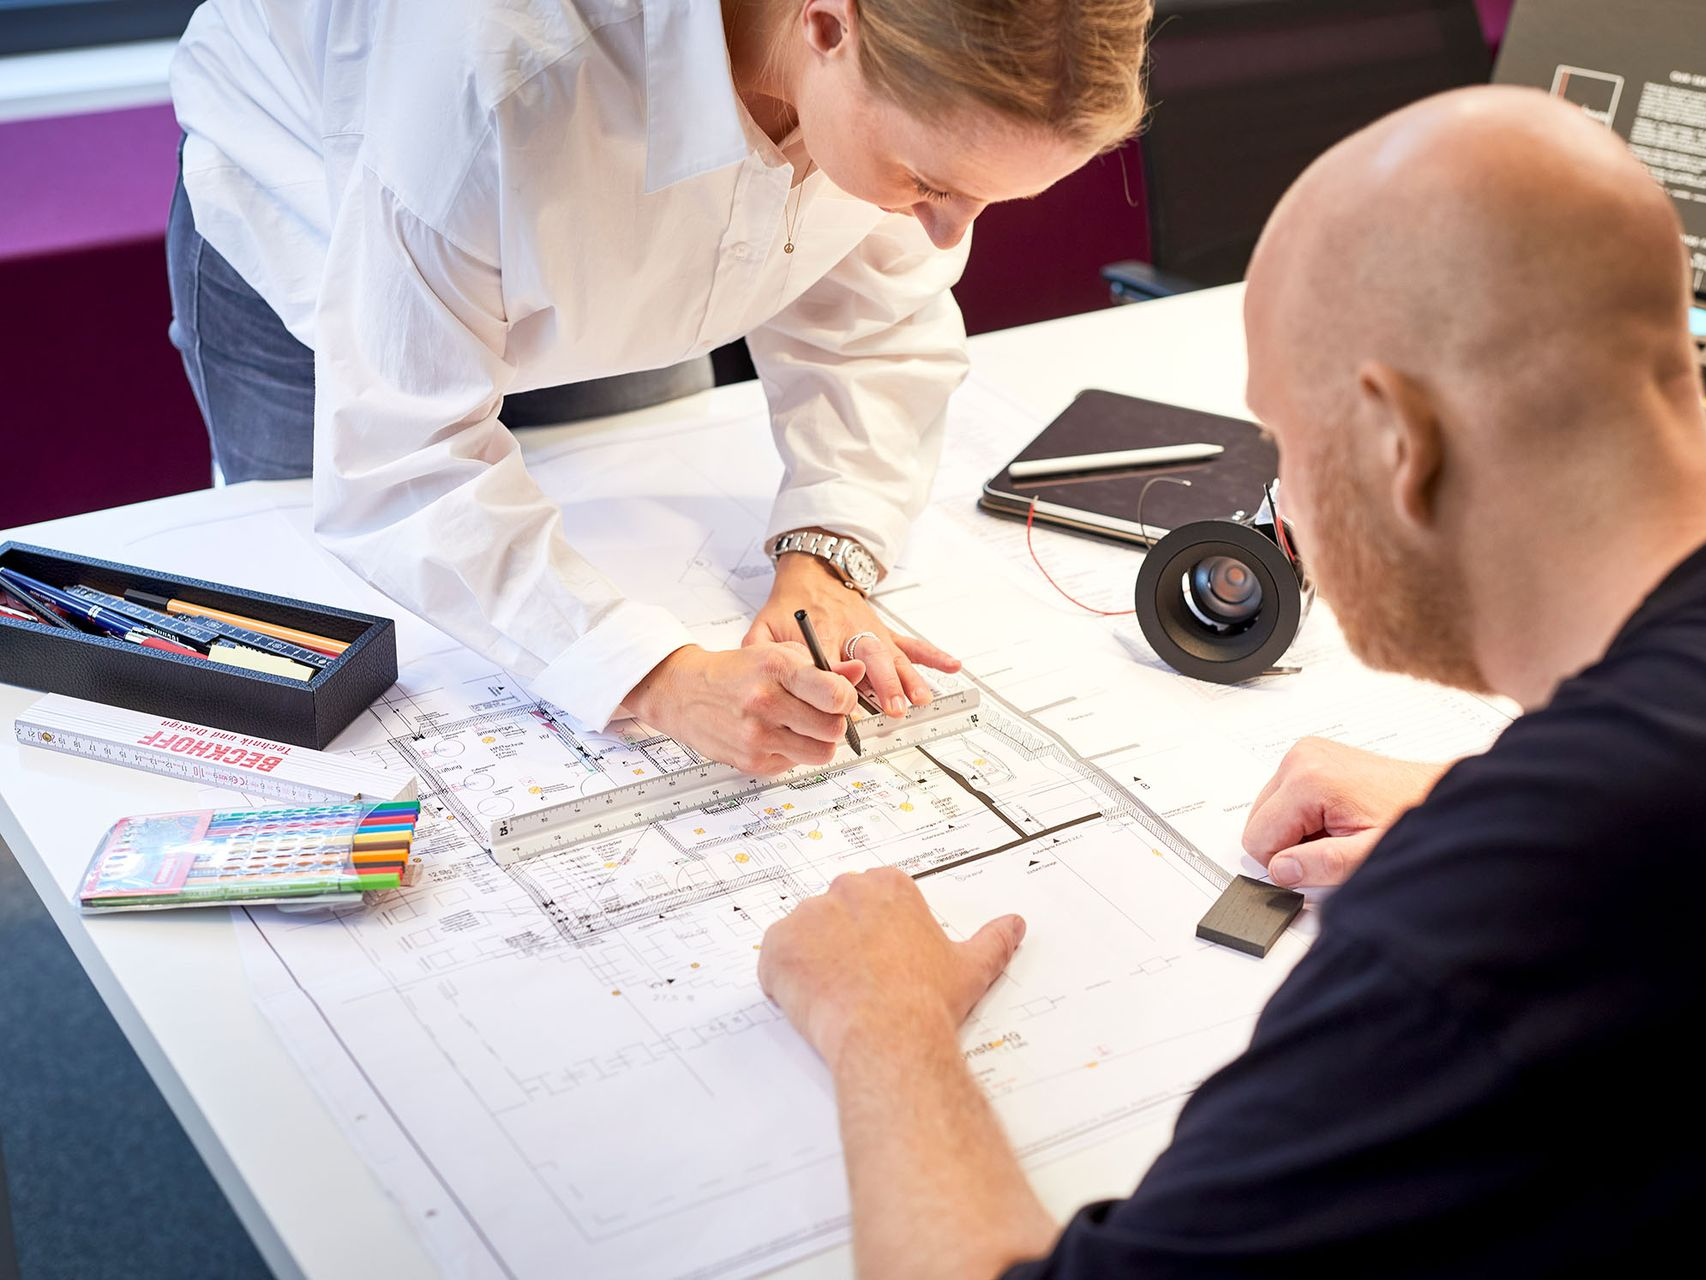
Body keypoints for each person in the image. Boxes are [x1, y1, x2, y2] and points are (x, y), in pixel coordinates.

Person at [757, 85, 1706, 1277]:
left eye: (1279, 445)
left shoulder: (1485, 928)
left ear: (1398, 443)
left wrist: (881, 1022)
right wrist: (1495, 790)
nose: (1279, 505)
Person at [165, 0, 1151, 772]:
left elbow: (876, 320)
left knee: (623, 555)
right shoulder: (496, 68)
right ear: (825, 28)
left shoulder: (891, 73)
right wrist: (653, 677)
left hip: (596, 250)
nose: (948, 232)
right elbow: (402, 463)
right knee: (331, 648)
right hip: (332, 228)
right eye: (930, 183)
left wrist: (825, 555)